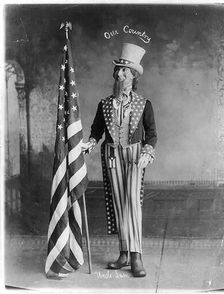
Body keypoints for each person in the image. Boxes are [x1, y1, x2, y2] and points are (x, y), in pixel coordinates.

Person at [82, 42, 157, 277]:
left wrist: (147, 152)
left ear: (133, 75)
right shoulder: (104, 104)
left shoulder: (143, 104)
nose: (119, 73)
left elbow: (152, 135)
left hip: (135, 156)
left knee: (132, 203)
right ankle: (124, 253)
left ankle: (136, 256)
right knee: (118, 205)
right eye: (118, 70)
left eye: (124, 70)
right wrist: (90, 143)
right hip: (112, 155)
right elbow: (96, 131)